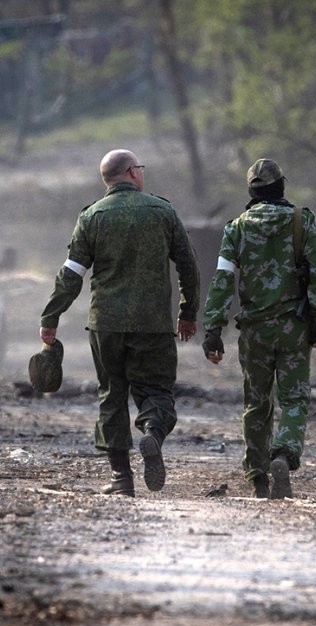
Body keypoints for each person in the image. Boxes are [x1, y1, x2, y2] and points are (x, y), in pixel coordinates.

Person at [39, 149, 200, 497]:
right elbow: (188, 266)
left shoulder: (91, 217)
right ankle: (153, 433)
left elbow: (72, 274)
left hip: (106, 324)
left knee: (112, 395)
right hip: (153, 324)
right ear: (132, 172)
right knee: (155, 390)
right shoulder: (163, 211)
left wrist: (51, 317)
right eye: (140, 168)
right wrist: (188, 313)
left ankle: (121, 478)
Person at [202, 158, 316, 499]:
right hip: (294, 327)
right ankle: (283, 454)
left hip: (254, 330)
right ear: (282, 187)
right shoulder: (302, 222)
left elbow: (222, 280)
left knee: (257, 402)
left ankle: (259, 475)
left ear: (252, 191)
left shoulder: (236, 228)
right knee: (294, 398)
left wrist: (213, 328)